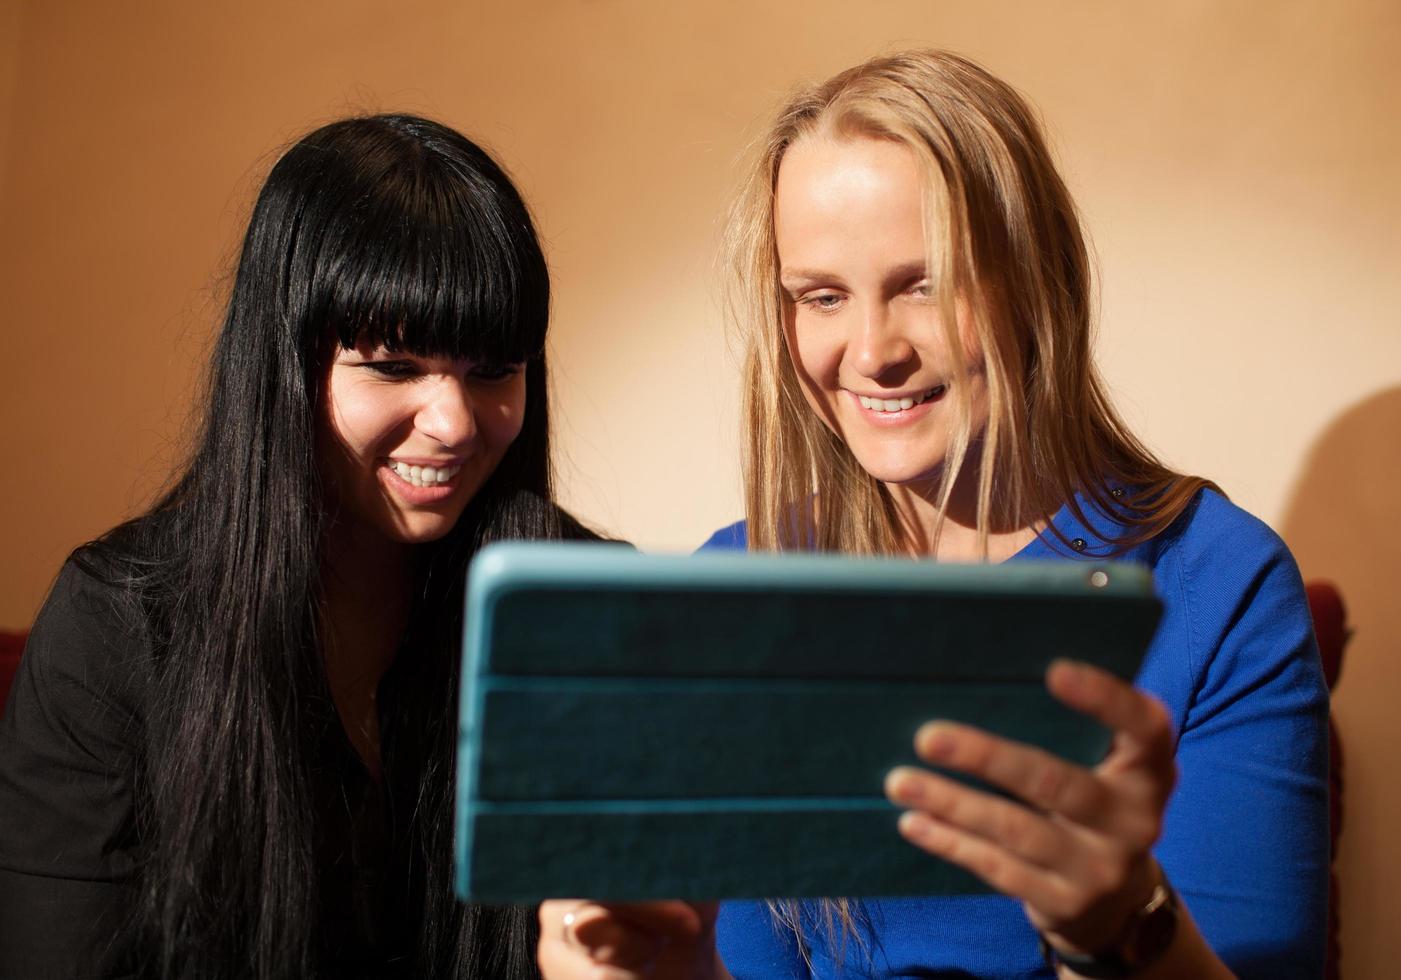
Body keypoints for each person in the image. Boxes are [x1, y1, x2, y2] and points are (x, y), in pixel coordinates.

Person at [537, 51, 1328, 979]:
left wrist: (1117, 922)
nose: (871, 352)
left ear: (1036, 284)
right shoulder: (739, 589)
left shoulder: (1217, 586)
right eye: (821, 297)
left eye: (924, 283)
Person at [0, 114, 594, 979]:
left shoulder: (578, 608)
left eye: (492, 370)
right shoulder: (119, 627)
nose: (455, 423)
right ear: (282, 368)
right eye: (392, 367)